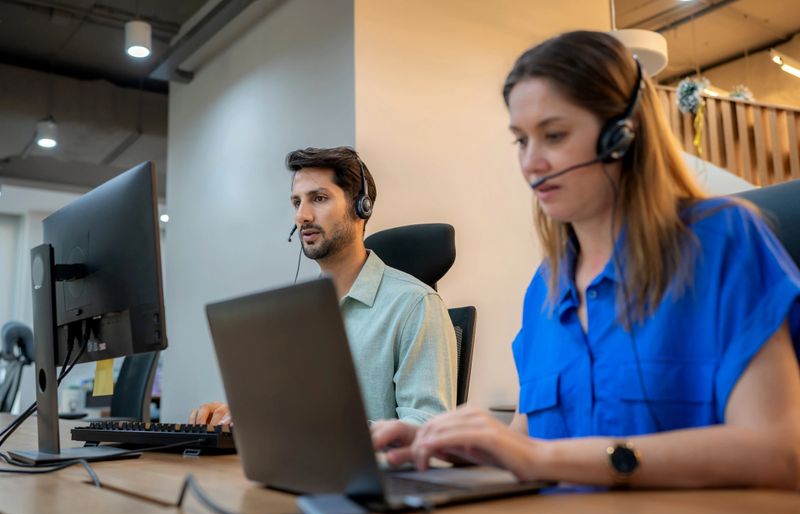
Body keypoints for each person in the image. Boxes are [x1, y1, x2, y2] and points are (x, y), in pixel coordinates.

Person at [372, 31, 800, 489]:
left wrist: (544, 457)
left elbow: (778, 451)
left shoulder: (722, 241)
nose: (531, 163)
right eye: (521, 140)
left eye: (553, 135)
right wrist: (457, 448)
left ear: (622, 134)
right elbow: (529, 444)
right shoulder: (546, 287)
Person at [190, 147, 457, 426]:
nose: (302, 216)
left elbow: (428, 427)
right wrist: (241, 419)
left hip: (368, 458)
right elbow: (287, 415)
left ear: (361, 206)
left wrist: (324, 431)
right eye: (297, 202)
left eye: (318, 198)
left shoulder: (415, 306)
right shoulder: (295, 315)